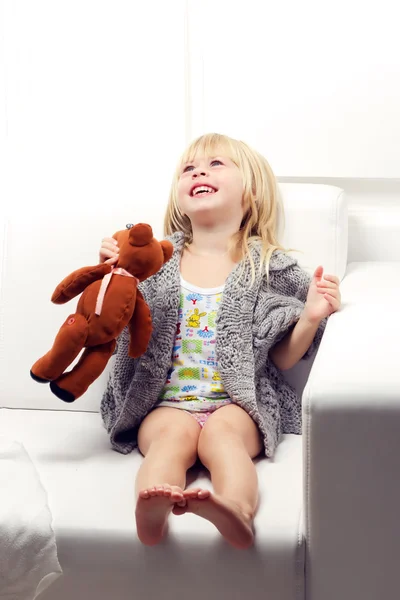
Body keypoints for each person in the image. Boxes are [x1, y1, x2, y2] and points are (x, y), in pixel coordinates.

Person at [98, 133, 341, 549]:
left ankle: (236, 510)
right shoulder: (155, 260)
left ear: (250, 192)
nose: (199, 172)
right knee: (169, 439)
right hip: (165, 403)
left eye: (215, 165)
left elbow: (282, 358)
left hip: (236, 404)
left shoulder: (267, 266)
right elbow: (114, 327)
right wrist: (113, 277)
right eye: (189, 169)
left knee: (223, 439)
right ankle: (152, 509)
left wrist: (310, 315)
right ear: (180, 196)